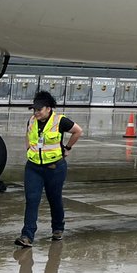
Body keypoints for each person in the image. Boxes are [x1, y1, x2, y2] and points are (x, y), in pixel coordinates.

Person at [16, 91, 83, 248]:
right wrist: (28, 150)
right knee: (32, 200)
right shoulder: (32, 120)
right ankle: (27, 235)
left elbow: (78, 131)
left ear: (48, 108)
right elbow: (27, 135)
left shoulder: (60, 121)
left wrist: (67, 148)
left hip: (54, 167)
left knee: (54, 199)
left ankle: (58, 229)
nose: (36, 112)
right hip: (33, 167)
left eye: (39, 109)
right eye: (34, 109)